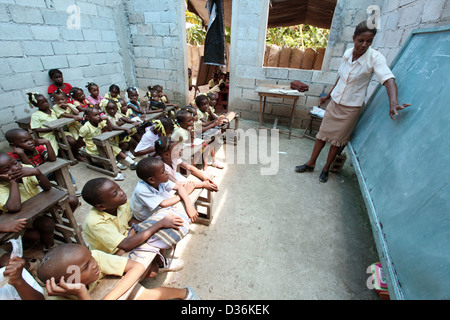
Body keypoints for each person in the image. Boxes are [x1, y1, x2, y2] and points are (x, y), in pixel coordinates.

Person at [295, 21, 410, 183]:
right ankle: (311, 163)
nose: (364, 44)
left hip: (351, 109)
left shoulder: (375, 58)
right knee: (321, 136)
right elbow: (341, 78)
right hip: (335, 103)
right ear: (354, 38)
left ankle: (326, 168)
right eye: (361, 40)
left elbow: (388, 79)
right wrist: (328, 96)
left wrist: (393, 102)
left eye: (369, 41)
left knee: (336, 141)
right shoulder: (348, 53)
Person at [82, 177, 187, 277]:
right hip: (113, 253)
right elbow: (126, 245)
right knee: (152, 271)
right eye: (115, 193)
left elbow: (129, 221)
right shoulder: (95, 223)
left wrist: (149, 226)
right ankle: (157, 263)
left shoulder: (121, 203)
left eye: (119, 187)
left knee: (158, 233)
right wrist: (159, 224)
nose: (122, 192)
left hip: (127, 236)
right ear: (101, 206)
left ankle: (161, 261)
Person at [36, 243, 201, 300]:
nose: (94, 264)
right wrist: (81, 292)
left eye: (90, 258)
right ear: (62, 283)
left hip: (113, 291)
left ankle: (186, 294)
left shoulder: (95, 258)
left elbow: (137, 267)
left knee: (143, 294)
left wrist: (109, 298)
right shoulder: (58, 295)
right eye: (85, 267)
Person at [4, 129, 79, 211]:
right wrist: (22, 154)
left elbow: (52, 159)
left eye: (31, 139)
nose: (30, 142)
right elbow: (30, 169)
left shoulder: (38, 148)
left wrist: (47, 142)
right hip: (33, 180)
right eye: (25, 141)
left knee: (61, 171)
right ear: (13, 145)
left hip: (43, 175)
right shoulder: (11, 158)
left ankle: (72, 188)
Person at [0, 153, 56, 257]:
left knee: (72, 200)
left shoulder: (26, 168)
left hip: (40, 206)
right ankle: (50, 247)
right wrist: (13, 181)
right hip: (21, 218)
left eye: (15, 163)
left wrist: (37, 172)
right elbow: (14, 208)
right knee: (46, 224)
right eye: (7, 170)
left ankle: (51, 231)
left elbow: (48, 187)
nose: (15, 169)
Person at [130, 157, 198, 223]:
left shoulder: (160, 179)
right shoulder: (141, 190)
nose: (167, 172)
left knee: (185, 205)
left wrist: (189, 206)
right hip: (146, 217)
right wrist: (186, 192)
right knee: (180, 219)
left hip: (158, 207)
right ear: (151, 179)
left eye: (165, 169)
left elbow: (179, 187)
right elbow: (164, 204)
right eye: (163, 171)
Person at [78, 107, 138, 176]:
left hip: (101, 142)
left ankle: (132, 162)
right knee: (107, 149)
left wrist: (107, 119)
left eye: (99, 114)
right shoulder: (85, 128)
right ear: (88, 117)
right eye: (95, 115)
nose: (98, 117)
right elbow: (80, 139)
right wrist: (85, 146)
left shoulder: (100, 123)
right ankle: (115, 164)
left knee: (113, 148)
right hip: (91, 146)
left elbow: (110, 129)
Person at [50, 89, 85, 161]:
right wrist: (73, 117)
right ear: (55, 101)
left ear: (66, 99)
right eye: (57, 100)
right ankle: (77, 155)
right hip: (65, 128)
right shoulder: (55, 107)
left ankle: (83, 151)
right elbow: (62, 114)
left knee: (83, 136)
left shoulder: (70, 105)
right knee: (74, 140)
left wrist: (69, 106)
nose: (60, 102)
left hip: (74, 125)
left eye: (62, 99)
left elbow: (76, 112)